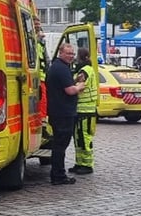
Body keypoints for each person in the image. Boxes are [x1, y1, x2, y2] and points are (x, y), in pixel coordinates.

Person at [46, 43, 86, 185]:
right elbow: (69, 91)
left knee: (59, 145)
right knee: (60, 146)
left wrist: (74, 81)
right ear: (60, 53)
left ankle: (57, 174)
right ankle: (58, 176)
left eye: (73, 54)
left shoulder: (58, 67)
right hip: (63, 113)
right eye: (68, 54)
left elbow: (63, 85)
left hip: (58, 111)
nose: (71, 56)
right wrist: (80, 86)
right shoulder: (61, 68)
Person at [69, 47, 98, 174]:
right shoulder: (85, 69)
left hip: (86, 110)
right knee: (78, 138)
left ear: (81, 57)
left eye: (76, 55)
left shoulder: (85, 70)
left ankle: (87, 165)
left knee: (84, 138)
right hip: (82, 110)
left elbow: (80, 85)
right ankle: (79, 163)